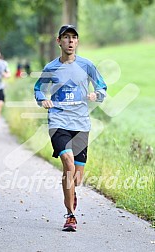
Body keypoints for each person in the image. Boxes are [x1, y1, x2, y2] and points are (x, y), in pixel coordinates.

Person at [34, 25, 107, 232]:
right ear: (59, 41)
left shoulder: (87, 65)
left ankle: (72, 192)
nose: (70, 41)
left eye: (74, 38)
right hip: (58, 121)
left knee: (77, 176)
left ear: (77, 42)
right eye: (66, 38)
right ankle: (70, 215)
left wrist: (96, 95)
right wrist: (43, 100)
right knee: (67, 163)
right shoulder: (51, 68)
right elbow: (39, 88)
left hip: (81, 124)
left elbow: (102, 87)